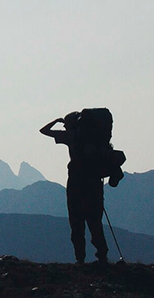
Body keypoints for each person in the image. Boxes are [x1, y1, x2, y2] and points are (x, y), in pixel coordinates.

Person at [40, 111, 109, 266]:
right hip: (94, 186)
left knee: (77, 224)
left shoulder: (70, 136)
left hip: (76, 186)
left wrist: (55, 121)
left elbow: (43, 131)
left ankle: (80, 259)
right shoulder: (94, 138)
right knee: (95, 223)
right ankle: (102, 256)